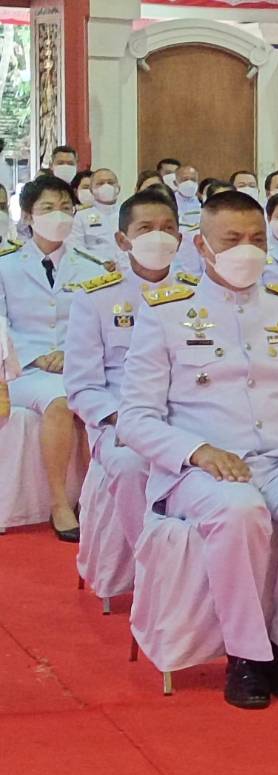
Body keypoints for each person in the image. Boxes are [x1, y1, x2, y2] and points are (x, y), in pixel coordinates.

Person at [120, 190, 278, 709]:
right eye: (232, 240)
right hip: (200, 468)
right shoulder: (166, 312)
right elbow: (136, 419)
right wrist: (198, 451)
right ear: (201, 246)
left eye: (256, 239)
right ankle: (246, 656)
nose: (246, 250)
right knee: (239, 511)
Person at [65, 190, 185, 577]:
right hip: (119, 420)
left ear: (181, 239)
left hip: (188, 416)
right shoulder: (97, 298)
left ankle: (205, 564)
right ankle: (155, 571)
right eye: (146, 229)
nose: (159, 237)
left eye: (168, 228)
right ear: (122, 240)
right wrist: (128, 422)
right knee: (132, 464)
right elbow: (82, 386)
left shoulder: (198, 293)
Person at [0, 175, 107, 540]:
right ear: (28, 216)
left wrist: (70, 353)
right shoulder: (5, 266)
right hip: (23, 371)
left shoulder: (92, 266)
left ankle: (103, 499)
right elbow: (1, 324)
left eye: (65, 207)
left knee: (100, 401)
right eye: (48, 208)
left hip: (76, 363)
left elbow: (98, 325)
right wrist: (35, 356)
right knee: (61, 400)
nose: (58, 215)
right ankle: (61, 503)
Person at [69, 167, 123, 261]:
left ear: (118, 188)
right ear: (91, 190)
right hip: (94, 270)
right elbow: (76, 247)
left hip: (126, 269)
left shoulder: (128, 212)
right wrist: (102, 262)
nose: (106, 186)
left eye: (110, 183)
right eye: (100, 183)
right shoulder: (81, 216)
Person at [173, 164, 203, 229]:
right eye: (185, 180)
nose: (189, 183)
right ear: (175, 183)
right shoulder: (170, 202)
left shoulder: (203, 202)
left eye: (193, 180)